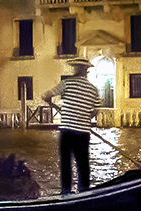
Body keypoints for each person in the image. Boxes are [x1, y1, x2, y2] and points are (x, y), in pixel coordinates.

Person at [41, 56, 99, 193]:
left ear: (78, 69)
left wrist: (51, 103)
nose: (75, 69)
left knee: (66, 163)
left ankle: (66, 191)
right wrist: (83, 116)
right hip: (83, 131)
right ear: (86, 71)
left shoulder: (66, 84)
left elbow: (46, 95)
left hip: (67, 130)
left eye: (76, 67)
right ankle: (84, 191)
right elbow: (95, 111)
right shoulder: (93, 89)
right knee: (83, 163)